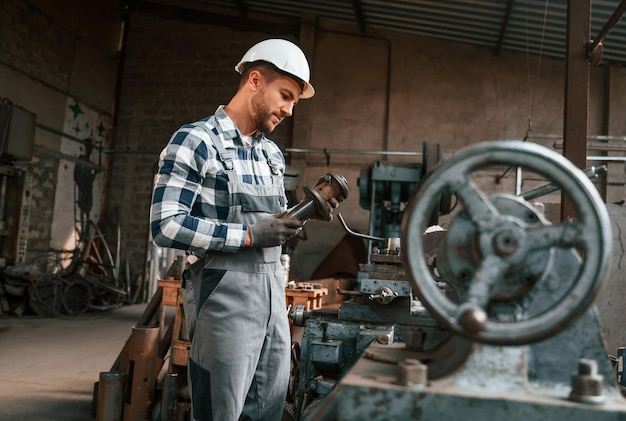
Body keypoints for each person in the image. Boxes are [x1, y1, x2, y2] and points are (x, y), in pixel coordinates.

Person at [150, 39, 334, 421]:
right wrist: (248, 236)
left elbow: (275, 228)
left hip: (272, 300)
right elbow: (165, 224)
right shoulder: (196, 141)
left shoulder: (272, 155)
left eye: (295, 102)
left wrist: (304, 216)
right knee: (221, 412)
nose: (289, 110)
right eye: (285, 96)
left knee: (269, 409)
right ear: (254, 80)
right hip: (223, 300)